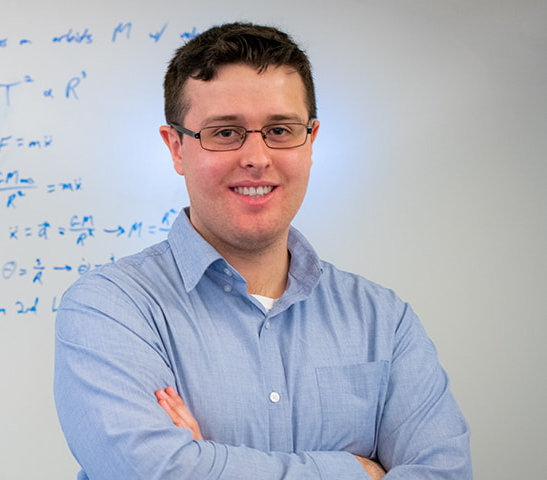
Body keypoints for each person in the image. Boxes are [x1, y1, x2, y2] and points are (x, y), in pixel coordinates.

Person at [53, 22, 471, 479]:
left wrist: (205, 464)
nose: (257, 157)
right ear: (176, 148)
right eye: (225, 132)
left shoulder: (384, 322)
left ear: (310, 141)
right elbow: (158, 473)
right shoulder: (110, 309)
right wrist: (359, 472)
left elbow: (445, 473)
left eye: (280, 129)